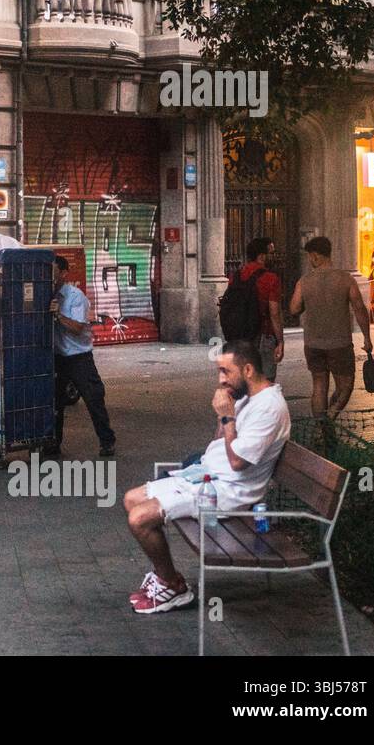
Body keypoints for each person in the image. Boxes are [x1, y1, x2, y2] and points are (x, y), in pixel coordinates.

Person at [122, 340, 290, 614]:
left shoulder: (270, 407)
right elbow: (218, 443)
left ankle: (172, 587)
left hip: (227, 492)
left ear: (247, 370)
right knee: (131, 499)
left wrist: (227, 418)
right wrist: (223, 415)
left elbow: (237, 462)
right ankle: (168, 579)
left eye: (226, 371)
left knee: (139, 519)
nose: (221, 380)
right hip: (205, 476)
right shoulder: (247, 396)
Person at [290, 236, 372, 419]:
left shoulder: (304, 281)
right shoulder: (346, 279)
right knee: (345, 387)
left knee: (319, 386)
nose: (310, 261)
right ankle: (331, 416)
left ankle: (322, 428)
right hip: (339, 344)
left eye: (310, 257)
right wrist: (367, 337)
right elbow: (359, 308)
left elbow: (294, 308)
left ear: (316, 256)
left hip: (313, 343)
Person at [49, 255, 116, 457]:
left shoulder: (75, 296)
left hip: (79, 358)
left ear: (63, 273)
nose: (49, 277)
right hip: (58, 358)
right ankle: (53, 445)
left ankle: (107, 441)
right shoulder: (47, 295)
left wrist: (59, 315)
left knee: (93, 399)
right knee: (55, 403)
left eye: (53, 272)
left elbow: (78, 328)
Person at [236, 237, 284, 381]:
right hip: (264, 334)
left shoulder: (237, 276)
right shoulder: (271, 279)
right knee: (266, 382)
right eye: (270, 253)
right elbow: (274, 313)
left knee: (246, 381)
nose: (272, 257)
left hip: (241, 336)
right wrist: (280, 341)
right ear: (262, 256)